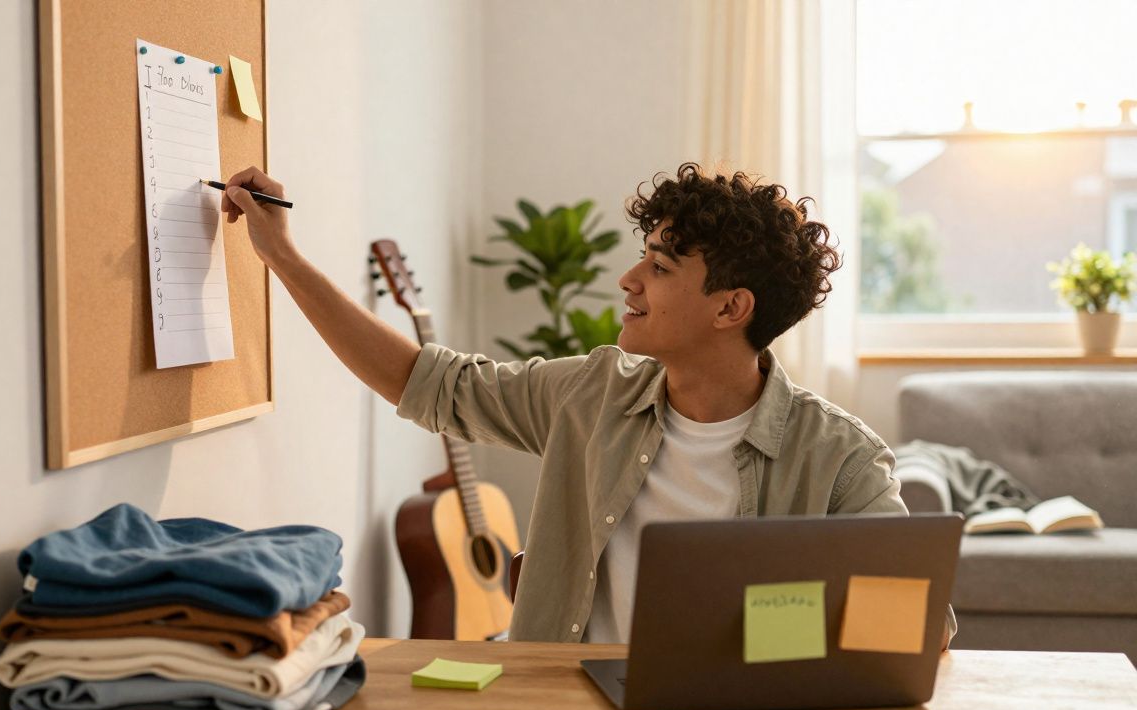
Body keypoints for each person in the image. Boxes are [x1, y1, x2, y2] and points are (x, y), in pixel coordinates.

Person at [220, 162, 954, 647]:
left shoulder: (839, 458)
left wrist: (762, 629)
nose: (629, 279)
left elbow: (913, 629)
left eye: (660, 267)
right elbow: (426, 383)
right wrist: (281, 255)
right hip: (560, 706)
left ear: (731, 308)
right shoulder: (592, 394)